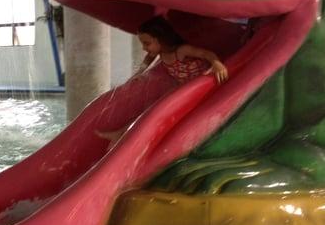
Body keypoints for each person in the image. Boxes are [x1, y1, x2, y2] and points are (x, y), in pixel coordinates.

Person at [96, 16, 228, 147]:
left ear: (161, 40)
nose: (143, 48)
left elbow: (206, 54)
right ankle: (122, 132)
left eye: (147, 43)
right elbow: (148, 58)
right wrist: (139, 72)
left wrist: (217, 64)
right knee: (151, 109)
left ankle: (126, 134)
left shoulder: (181, 50)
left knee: (157, 111)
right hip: (182, 88)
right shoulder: (160, 52)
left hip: (200, 88)